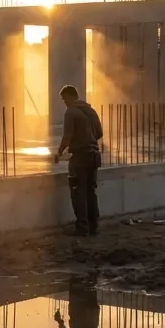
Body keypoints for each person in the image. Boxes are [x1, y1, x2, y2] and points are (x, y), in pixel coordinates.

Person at [52, 85, 103, 236]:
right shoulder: (90, 110)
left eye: (64, 99)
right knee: (90, 192)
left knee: (78, 192)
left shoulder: (71, 111)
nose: (64, 102)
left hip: (80, 158)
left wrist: (59, 152)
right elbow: (99, 133)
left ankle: (82, 228)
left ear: (70, 96)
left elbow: (67, 136)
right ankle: (94, 226)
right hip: (94, 156)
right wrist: (88, 138)